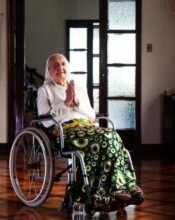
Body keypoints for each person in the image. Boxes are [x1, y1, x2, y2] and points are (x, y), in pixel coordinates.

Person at [37, 53, 144, 212]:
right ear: (49, 71)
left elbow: (92, 115)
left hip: (86, 126)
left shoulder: (78, 86)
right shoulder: (45, 90)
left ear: (68, 67)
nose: (61, 67)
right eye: (56, 65)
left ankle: (121, 188)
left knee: (111, 135)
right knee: (104, 137)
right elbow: (45, 121)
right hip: (65, 130)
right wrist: (64, 103)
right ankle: (110, 191)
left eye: (63, 64)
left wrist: (76, 103)